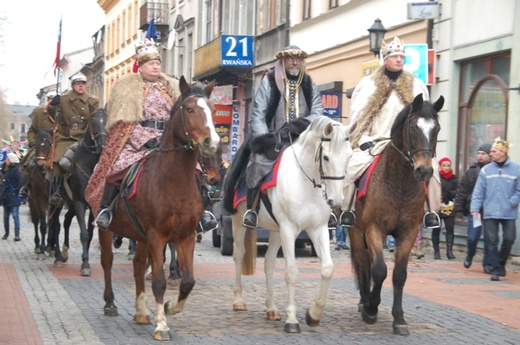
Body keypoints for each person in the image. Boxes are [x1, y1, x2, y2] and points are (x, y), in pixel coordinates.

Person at [86, 38, 215, 233]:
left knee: (196, 169)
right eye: (150, 64)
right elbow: (124, 122)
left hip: (169, 139)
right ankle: (106, 210)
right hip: (138, 140)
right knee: (117, 168)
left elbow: (180, 117)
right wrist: (145, 139)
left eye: (157, 63)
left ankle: (202, 213)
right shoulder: (126, 88)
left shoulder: (171, 87)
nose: (155, 67)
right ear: (141, 66)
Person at [340, 36, 441, 229]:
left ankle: (431, 212)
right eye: (395, 56)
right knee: (352, 168)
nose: (399, 60)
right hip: (376, 141)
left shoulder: (416, 85)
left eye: (402, 56)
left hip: (408, 146)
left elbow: (426, 116)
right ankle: (347, 210)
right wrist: (363, 140)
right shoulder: (368, 85)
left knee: (432, 171)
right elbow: (358, 118)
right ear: (385, 59)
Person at [242, 45, 323, 227]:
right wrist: (266, 140)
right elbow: (258, 115)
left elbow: (318, 111)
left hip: (303, 138)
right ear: (283, 62)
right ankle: (252, 209)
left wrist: (301, 125)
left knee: (326, 162)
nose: (295, 62)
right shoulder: (269, 82)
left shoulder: (309, 84)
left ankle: (328, 209)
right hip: (274, 139)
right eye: (290, 59)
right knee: (258, 162)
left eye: (298, 59)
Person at [471, 137, 520, 281]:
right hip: (490, 210)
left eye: (494, 151)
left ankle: (501, 263)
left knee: (509, 239)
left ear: (503, 152)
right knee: (491, 240)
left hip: (509, 212)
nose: (490, 154)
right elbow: (478, 191)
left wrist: (511, 202)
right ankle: (496, 270)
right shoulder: (486, 170)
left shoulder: (516, 169)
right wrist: (475, 208)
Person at [48, 72, 99, 206]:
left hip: (86, 137)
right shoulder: (64, 99)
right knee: (59, 161)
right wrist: (53, 105)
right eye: (78, 84)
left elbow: (97, 117)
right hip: (67, 137)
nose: (81, 87)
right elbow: (51, 114)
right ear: (72, 86)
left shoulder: (93, 100)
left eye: (83, 84)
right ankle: (57, 191)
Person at [454, 143, 492, 272]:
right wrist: (458, 208)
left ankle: (487, 263)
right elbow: (462, 190)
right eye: (479, 153)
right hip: (475, 210)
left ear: (490, 155)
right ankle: (470, 254)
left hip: (490, 210)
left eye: (483, 154)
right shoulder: (471, 171)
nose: (480, 156)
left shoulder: (493, 170)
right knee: (472, 237)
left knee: (489, 238)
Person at [19, 91, 59, 198]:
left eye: (54, 100)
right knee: (29, 161)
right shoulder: (39, 113)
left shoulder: (61, 113)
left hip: (56, 144)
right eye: (50, 99)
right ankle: (25, 187)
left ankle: (60, 190)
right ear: (47, 100)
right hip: (40, 144)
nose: (52, 102)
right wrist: (32, 141)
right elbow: (32, 130)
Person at [435, 157, 458, 260]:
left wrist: (450, 193)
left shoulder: (454, 178)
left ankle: (449, 251)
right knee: (436, 229)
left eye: (448, 165)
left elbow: (457, 191)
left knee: (450, 229)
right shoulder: (436, 177)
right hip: (438, 206)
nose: (446, 168)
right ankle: (437, 251)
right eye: (444, 165)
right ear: (440, 167)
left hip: (449, 206)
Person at [1, 153, 23, 241]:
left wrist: (15, 191)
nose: (6, 161)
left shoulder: (16, 170)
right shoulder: (7, 170)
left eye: (7, 159)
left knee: (15, 215)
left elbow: (20, 182)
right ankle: (6, 233)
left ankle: (17, 235)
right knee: (6, 216)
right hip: (6, 196)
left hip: (13, 195)